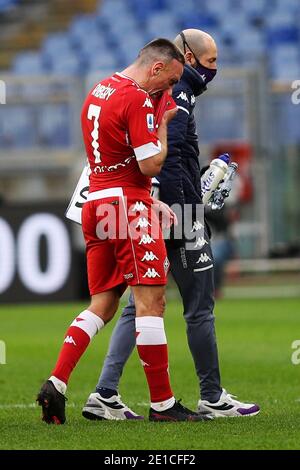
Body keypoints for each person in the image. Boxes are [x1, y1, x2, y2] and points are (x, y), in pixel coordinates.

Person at [82, 29, 260, 421]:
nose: (216, 69)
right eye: (211, 62)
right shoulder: (177, 94)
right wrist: (187, 208)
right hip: (175, 213)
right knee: (199, 305)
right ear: (190, 59)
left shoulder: (160, 90)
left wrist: (194, 182)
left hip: (151, 207)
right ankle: (211, 396)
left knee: (139, 305)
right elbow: (165, 156)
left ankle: (104, 392)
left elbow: (171, 157)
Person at [36, 38, 211, 424]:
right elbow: (150, 165)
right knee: (151, 303)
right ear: (157, 68)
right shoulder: (135, 98)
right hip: (126, 210)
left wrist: (149, 200)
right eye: (169, 82)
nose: (168, 92)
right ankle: (163, 405)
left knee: (103, 304)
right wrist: (163, 128)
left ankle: (57, 382)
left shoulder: (98, 90)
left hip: (96, 205)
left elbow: (112, 162)